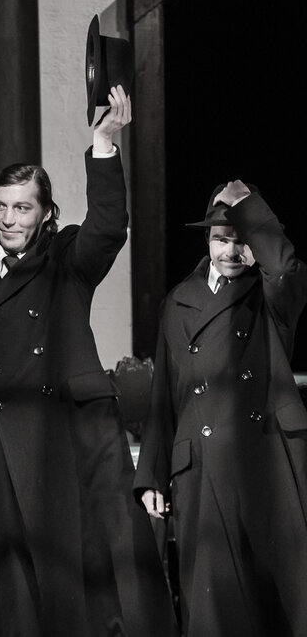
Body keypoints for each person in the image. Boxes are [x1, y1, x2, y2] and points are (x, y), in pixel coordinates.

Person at [0, 86, 178, 637]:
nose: (8, 218)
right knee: (15, 587)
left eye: (22, 207)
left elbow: (109, 226)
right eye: (0, 206)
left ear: (46, 213)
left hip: (73, 437)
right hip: (0, 443)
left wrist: (104, 144)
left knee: (92, 576)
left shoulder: (67, 256)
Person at [134, 180, 307, 636]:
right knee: (213, 606)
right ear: (206, 241)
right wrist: (153, 474)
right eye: (220, 238)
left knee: (276, 599)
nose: (230, 250)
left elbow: (283, 268)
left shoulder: (271, 295)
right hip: (201, 466)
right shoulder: (179, 301)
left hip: (265, 461)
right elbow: (165, 393)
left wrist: (248, 205)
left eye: (240, 239)